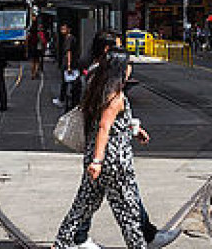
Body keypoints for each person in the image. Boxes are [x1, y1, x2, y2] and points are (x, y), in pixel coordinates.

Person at [68, 31, 178, 249]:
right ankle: (143, 237)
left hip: (104, 152)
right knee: (116, 202)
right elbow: (104, 123)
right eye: (119, 48)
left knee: (94, 199)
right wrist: (98, 159)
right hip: (109, 154)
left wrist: (132, 128)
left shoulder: (101, 74)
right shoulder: (102, 76)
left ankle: (79, 238)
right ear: (108, 50)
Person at [54, 50, 151, 249]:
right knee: (128, 211)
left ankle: (61, 243)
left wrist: (135, 130)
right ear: (120, 69)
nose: (131, 68)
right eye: (128, 65)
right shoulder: (115, 96)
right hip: (114, 162)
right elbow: (104, 127)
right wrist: (98, 160)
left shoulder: (96, 88)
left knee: (83, 205)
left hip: (96, 157)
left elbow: (111, 124)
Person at [54, 23, 80, 111]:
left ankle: (64, 100)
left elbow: (69, 52)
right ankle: (67, 99)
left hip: (69, 64)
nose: (62, 31)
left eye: (64, 29)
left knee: (66, 82)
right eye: (61, 29)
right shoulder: (69, 38)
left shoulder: (69, 39)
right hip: (71, 64)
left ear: (69, 29)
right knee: (68, 82)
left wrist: (68, 65)